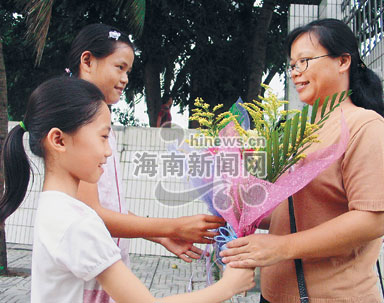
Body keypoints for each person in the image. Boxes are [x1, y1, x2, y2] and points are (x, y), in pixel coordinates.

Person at [0, 77, 255, 303]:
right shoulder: (76, 223)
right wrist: (228, 286)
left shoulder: (57, 208)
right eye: (103, 137)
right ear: (59, 140)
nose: (108, 151)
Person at [220, 18, 384, 303]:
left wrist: (280, 247)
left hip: (333, 297)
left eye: (304, 61)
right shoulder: (298, 130)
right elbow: (290, 213)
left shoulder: (366, 127)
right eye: (292, 65)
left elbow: (372, 219)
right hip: (274, 295)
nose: (295, 73)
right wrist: (238, 205)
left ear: (343, 62)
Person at [67, 24, 225, 270]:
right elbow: (92, 212)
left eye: (128, 70)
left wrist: (162, 236)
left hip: (104, 264)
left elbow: (109, 207)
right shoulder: (77, 121)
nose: (125, 79)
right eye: (120, 67)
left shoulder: (95, 119)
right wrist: (174, 227)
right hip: (86, 269)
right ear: (87, 61)